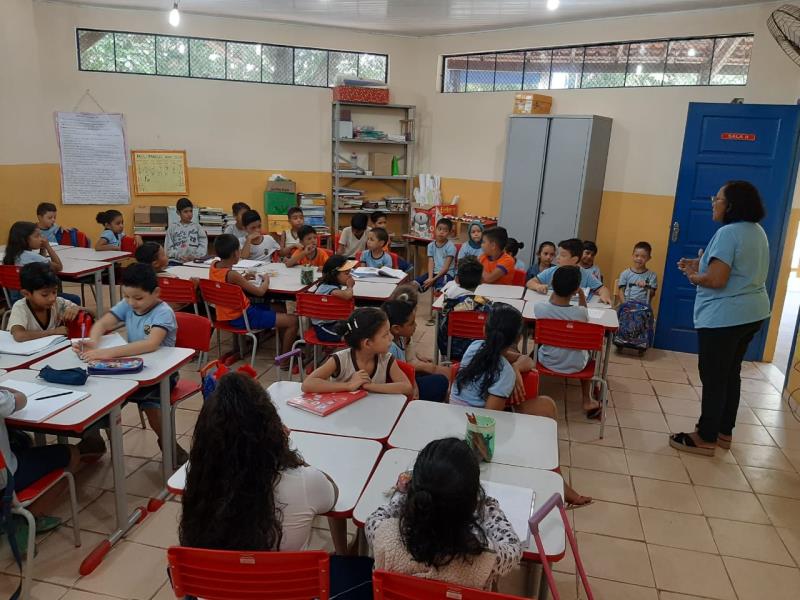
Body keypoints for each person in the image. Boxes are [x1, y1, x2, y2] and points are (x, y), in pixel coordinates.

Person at [451, 303, 591, 506]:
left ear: (484, 330)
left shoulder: (475, 347)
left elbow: (527, 361)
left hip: (454, 415)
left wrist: (515, 367)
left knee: (546, 406)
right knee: (545, 410)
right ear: (518, 339)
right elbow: (488, 420)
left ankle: (556, 475)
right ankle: (554, 476)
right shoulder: (504, 372)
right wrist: (511, 372)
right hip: (474, 433)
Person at [670, 181, 771, 456]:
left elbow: (716, 280)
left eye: (717, 199)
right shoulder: (756, 231)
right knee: (730, 373)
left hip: (726, 317)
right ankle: (724, 431)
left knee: (714, 376)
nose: (713, 203)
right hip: (752, 314)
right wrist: (700, 264)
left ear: (731, 205)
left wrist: (693, 275)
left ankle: (705, 436)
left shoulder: (727, 233)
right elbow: (737, 269)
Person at [365, 437, 522, 589]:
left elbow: (375, 519)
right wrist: (488, 506)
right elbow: (513, 549)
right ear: (471, 503)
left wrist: (402, 496)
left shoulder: (384, 537)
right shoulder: (485, 556)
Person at [77, 263, 187, 462]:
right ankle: (93, 438)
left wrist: (107, 353)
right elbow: (102, 323)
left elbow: (151, 344)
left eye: (138, 298)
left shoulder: (163, 312)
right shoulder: (128, 303)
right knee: (95, 390)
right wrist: (93, 341)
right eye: (126, 296)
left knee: (151, 404)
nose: (131, 302)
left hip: (161, 373)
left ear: (156, 293)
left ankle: (168, 443)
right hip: (131, 369)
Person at [1, 384, 80, 549]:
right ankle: (29, 519)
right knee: (72, 453)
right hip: (6, 481)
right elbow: (21, 399)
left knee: (20, 441)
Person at [209, 234, 299, 363]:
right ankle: (285, 361)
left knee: (280, 307)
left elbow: (225, 282)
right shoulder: (232, 275)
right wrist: (266, 280)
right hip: (242, 316)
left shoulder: (214, 265)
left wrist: (243, 279)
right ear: (235, 253)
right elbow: (260, 292)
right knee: (293, 321)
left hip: (225, 314)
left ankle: (283, 347)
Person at [533, 265, 600, 418]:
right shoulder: (580, 313)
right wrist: (581, 294)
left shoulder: (540, 308)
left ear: (552, 284)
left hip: (546, 361)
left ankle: (532, 392)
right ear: (575, 289)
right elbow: (585, 312)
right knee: (588, 354)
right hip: (577, 366)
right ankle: (587, 400)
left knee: (534, 350)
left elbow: (550, 303)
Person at [302, 307, 413, 398]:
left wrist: (370, 386)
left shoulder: (386, 359)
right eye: (385, 335)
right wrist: (348, 385)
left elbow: (407, 387)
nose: (391, 337)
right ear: (367, 343)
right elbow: (307, 384)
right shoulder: (340, 359)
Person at [382, 295, 449, 402]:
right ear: (396, 329)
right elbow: (398, 376)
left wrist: (418, 357)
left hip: (408, 378)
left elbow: (407, 357)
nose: (416, 326)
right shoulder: (391, 348)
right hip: (401, 390)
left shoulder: (401, 337)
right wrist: (414, 384)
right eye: (411, 323)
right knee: (441, 381)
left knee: (432, 372)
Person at [7, 263, 89, 342]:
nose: (52, 298)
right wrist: (53, 332)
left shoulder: (58, 303)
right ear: (26, 294)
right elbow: (19, 335)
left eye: (54, 292)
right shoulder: (20, 307)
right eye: (45, 295)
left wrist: (77, 308)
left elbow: (94, 313)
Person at [3, 221, 81, 304]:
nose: (41, 239)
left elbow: (41, 266)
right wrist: (48, 246)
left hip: (17, 301)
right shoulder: (31, 256)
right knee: (75, 299)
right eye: (37, 236)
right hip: (36, 301)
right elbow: (58, 267)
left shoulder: (11, 255)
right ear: (25, 239)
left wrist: (42, 248)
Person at [527, 238, 612, 304]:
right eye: (558, 254)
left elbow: (602, 288)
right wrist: (538, 286)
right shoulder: (552, 271)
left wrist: (605, 295)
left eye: (562, 255)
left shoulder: (585, 274)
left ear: (575, 259)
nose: (557, 257)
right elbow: (530, 282)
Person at [437, 256, 487, 361]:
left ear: (457, 279)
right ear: (481, 281)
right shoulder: (482, 305)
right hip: (474, 353)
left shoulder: (447, 297)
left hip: (448, 349)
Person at [313, 254, 356, 342]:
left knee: (357, 328)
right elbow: (347, 295)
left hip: (333, 322)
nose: (350, 276)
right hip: (323, 327)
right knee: (352, 337)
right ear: (334, 274)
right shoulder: (328, 288)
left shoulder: (330, 285)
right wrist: (350, 286)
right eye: (347, 273)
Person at [415, 218, 456, 292]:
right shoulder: (430, 245)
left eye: (445, 230)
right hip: (433, 273)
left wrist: (433, 280)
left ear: (449, 233)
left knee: (440, 289)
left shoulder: (451, 247)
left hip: (446, 274)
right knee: (415, 283)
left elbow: (446, 268)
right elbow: (431, 262)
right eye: (439, 229)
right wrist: (430, 278)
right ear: (435, 229)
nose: (441, 232)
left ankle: (437, 287)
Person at [164, 197, 208, 263]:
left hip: (194, 261)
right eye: (185, 212)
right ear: (178, 212)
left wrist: (195, 256)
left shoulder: (198, 227)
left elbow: (203, 245)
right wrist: (179, 256)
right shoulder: (172, 228)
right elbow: (168, 249)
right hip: (176, 261)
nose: (189, 214)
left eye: (191, 211)